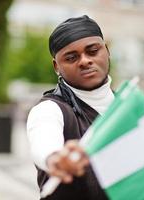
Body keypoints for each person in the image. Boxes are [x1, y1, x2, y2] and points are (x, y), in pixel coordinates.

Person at [26, 15, 114, 200]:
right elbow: (44, 139)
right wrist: (55, 158)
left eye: (92, 51)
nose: (84, 61)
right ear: (56, 66)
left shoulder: (128, 104)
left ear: (106, 50)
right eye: (72, 57)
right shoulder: (50, 109)